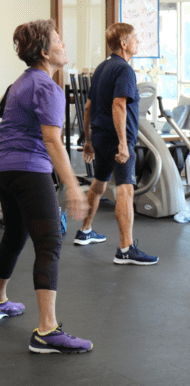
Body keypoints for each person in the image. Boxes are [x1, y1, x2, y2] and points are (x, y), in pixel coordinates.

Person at [0, 20, 92, 353]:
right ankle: (46, 331)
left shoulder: (20, 83)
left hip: (6, 170)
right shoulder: (46, 87)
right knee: (49, 243)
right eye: (57, 40)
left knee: (14, 236)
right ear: (43, 51)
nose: (63, 44)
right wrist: (73, 187)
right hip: (28, 171)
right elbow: (52, 139)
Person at [78, 23, 158, 265]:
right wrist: (124, 143)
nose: (137, 41)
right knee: (125, 188)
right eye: (134, 37)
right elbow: (118, 105)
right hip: (117, 140)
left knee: (99, 184)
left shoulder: (101, 68)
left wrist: (88, 141)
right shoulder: (125, 70)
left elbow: (88, 107)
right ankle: (126, 248)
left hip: (101, 137)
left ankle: (85, 230)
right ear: (123, 43)